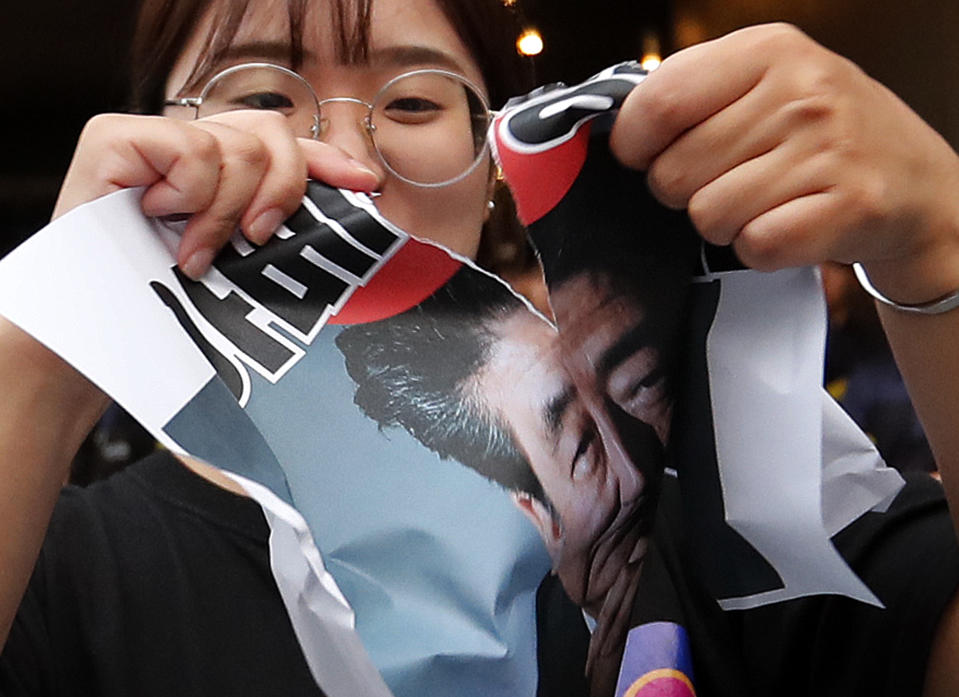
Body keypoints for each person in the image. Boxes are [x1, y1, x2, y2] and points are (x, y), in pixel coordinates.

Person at [0, 1, 958, 694]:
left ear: (490, 164)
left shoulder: (691, 521)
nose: (352, 164)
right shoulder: (65, 565)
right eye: (258, 93)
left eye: (414, 105)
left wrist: (938, 250)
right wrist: (46, 335)